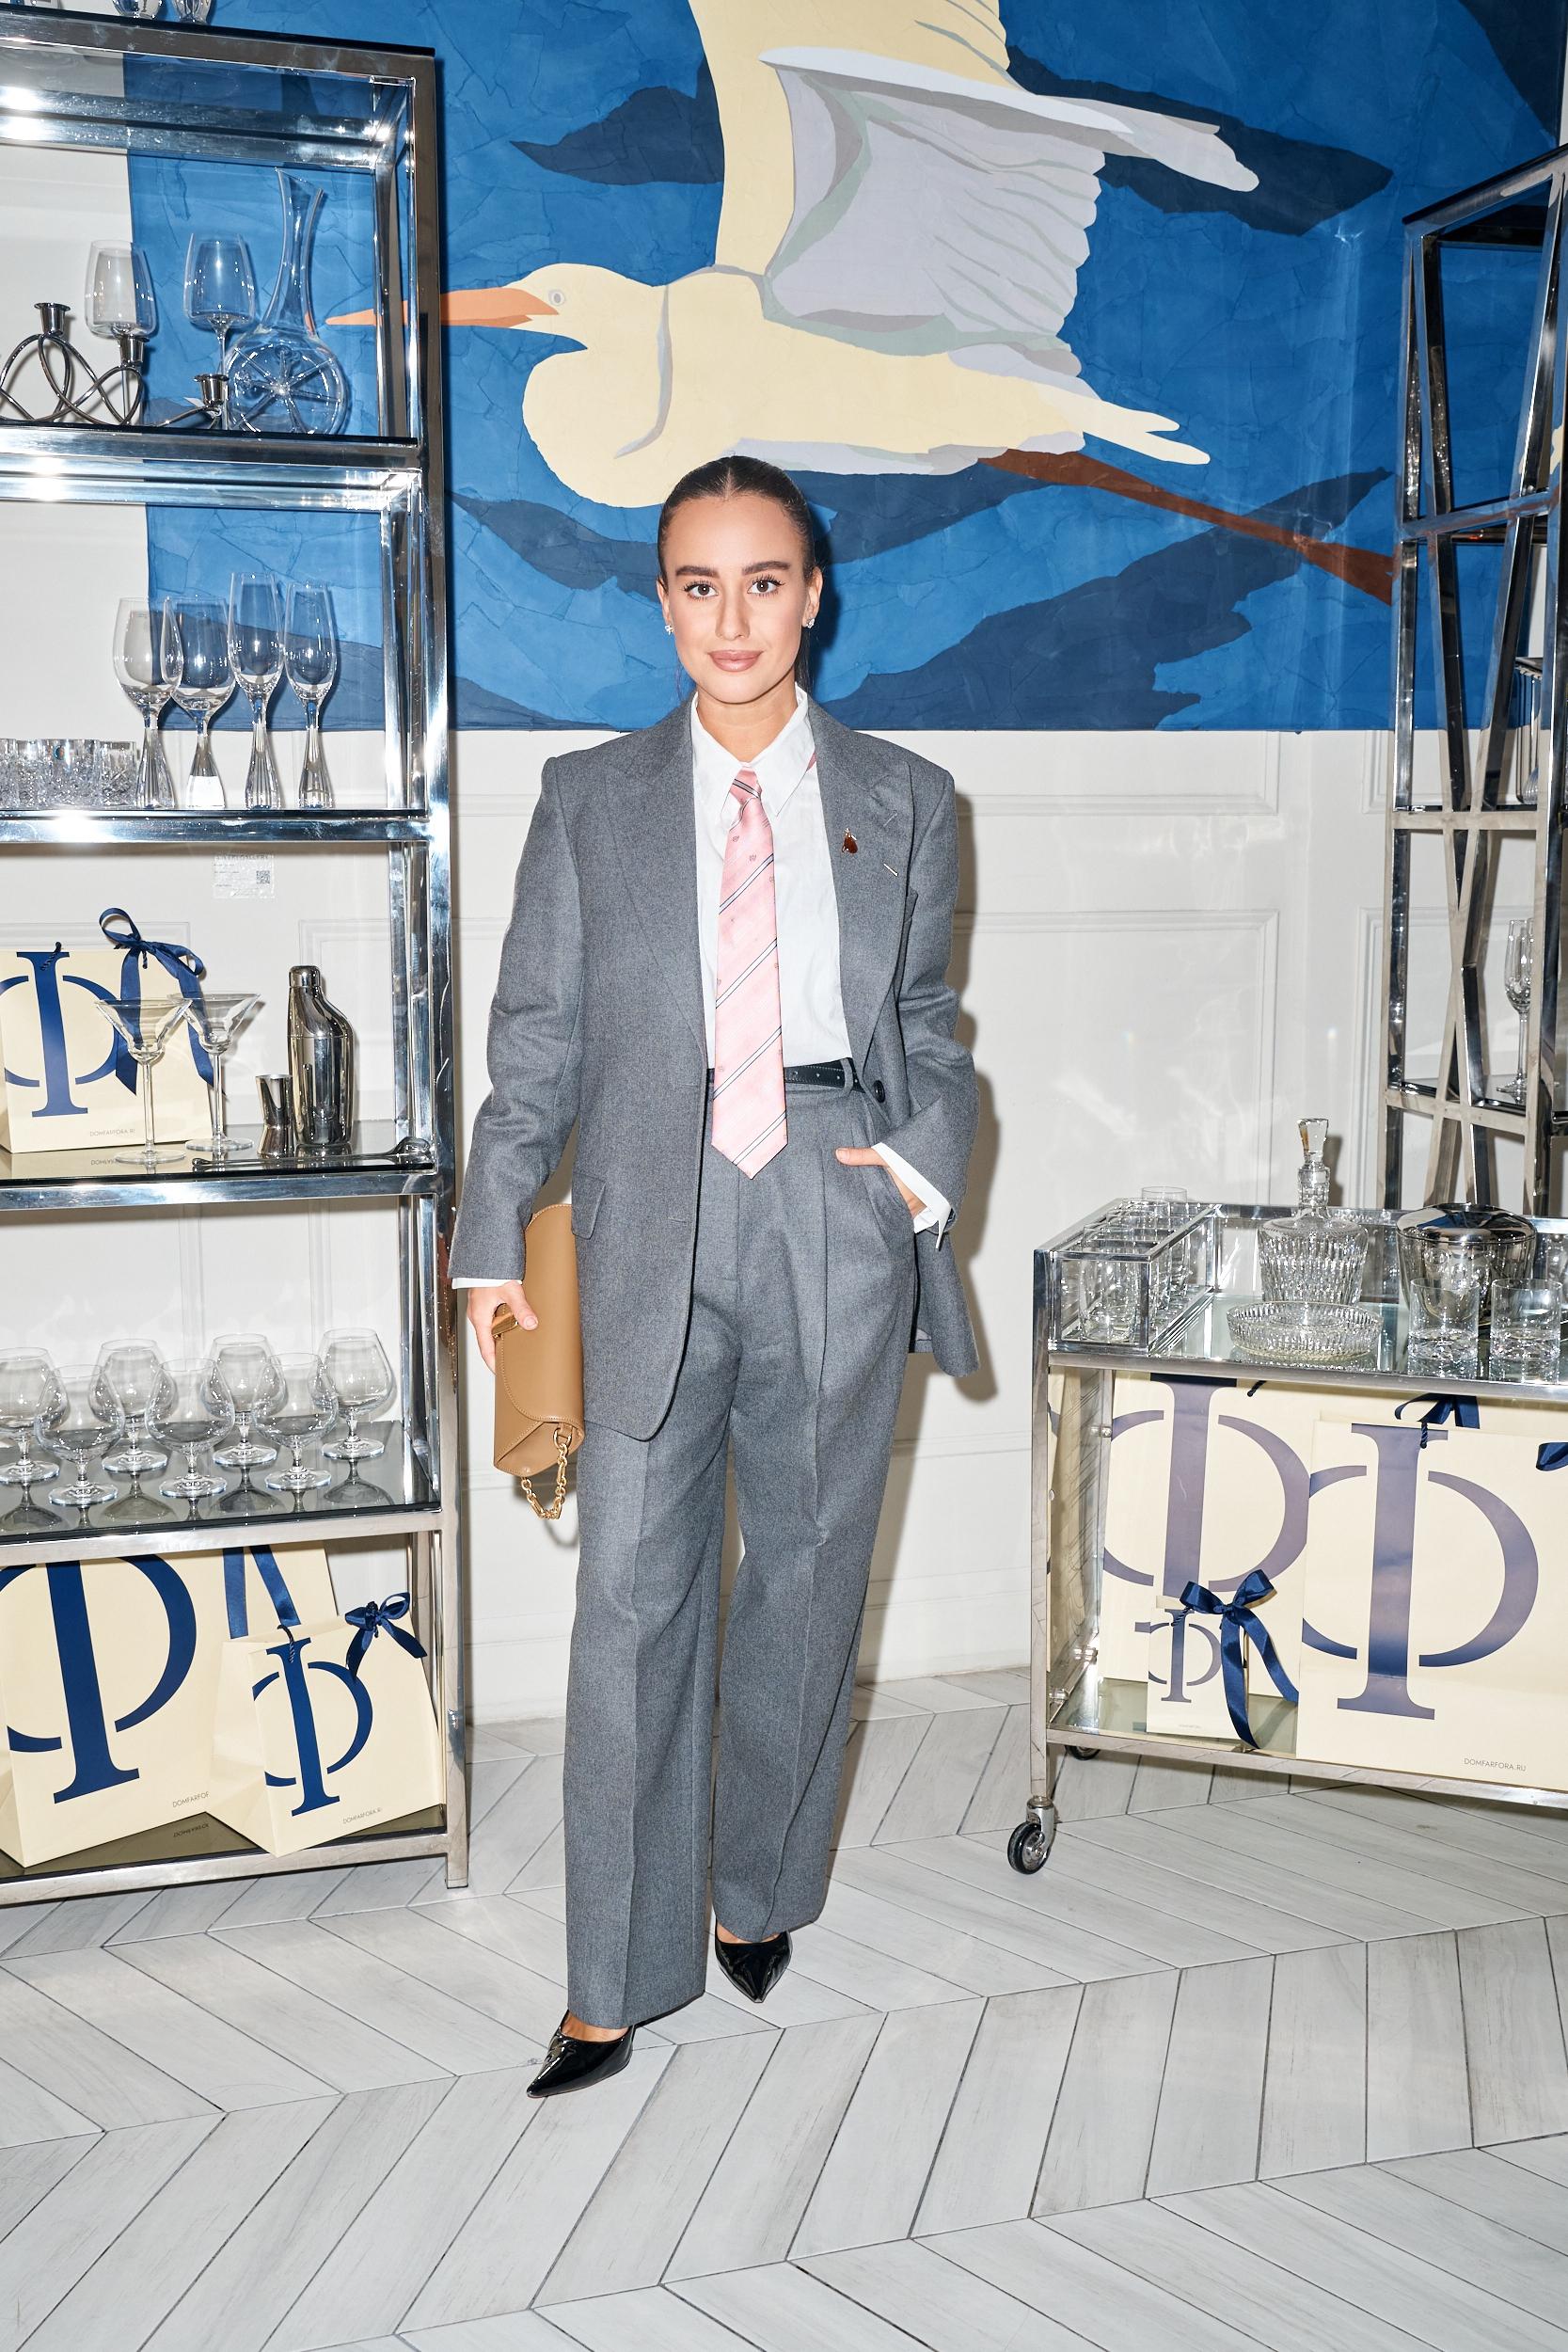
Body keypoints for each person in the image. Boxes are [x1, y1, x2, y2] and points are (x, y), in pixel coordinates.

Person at [451, 453, 978, 2096]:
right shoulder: (589, 799)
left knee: (808, 1583)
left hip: (831, 1203)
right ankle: (611, 1978)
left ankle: (759, 1888)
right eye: (698, 584)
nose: (731, 618)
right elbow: (534, 1042)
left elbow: (927, 1030)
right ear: (663, 600)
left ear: (813, 595)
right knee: (628, 1602)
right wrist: (489, 1236)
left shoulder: (907, 797)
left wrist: (914, 1168)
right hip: (646, 1215)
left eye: (763, 582)